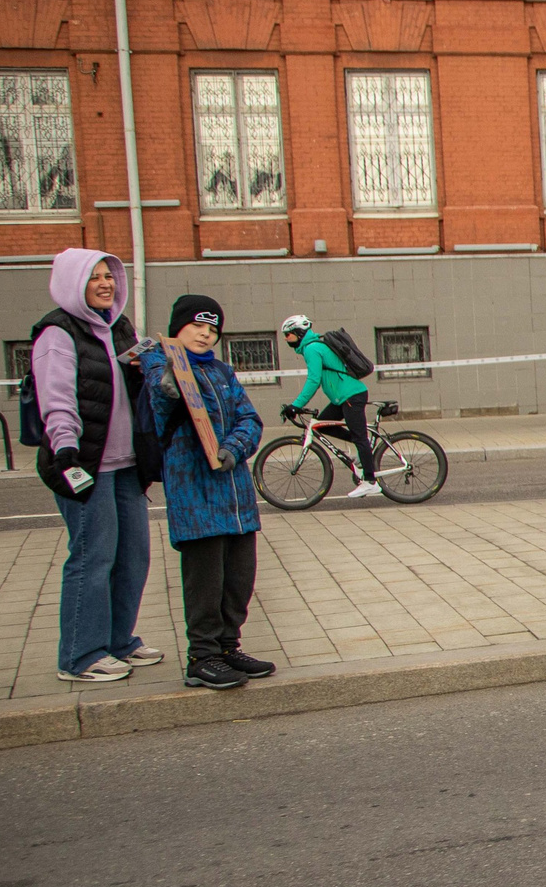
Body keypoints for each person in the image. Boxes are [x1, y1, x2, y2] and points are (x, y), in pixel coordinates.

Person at [34, 249, 163, 683]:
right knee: (93, 557)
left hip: (127, 465)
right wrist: (67, 452)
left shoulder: (120, 327)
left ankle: (118, 641)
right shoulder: (58, 333)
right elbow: (58, 401)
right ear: (74, 283)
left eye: (110, 276)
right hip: (86, 464)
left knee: (134, 557)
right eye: (95, 278)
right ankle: (80, 655)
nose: (106, 284)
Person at [140, 294, 269, 689]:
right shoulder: (161, 367)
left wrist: (232, 448)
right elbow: (163, 406)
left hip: (235, 495)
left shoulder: (222, 372)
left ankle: (228, 647)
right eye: (197, 325)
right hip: (195, 495)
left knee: (239, 577)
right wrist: (161, 373)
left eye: (213, 329)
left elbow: (250, 417)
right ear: (178, 326)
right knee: (205, 580)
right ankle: (203, 656)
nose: (205, 334)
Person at [279, 312, 378, 498]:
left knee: (359, 436)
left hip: (351, 395)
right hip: (341, 398)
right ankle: (365, 450)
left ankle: (370, 482)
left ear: (299, 333)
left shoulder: (312, 348)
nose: (286, 339)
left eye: (288, 334)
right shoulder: (313, 346)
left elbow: (314, 380)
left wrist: (296, 405)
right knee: (322, 425)